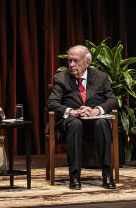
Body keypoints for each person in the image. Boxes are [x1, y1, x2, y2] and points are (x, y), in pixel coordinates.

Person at [46, 44, 119, 190]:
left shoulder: (101, 77)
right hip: (72, 120)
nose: (71, 64)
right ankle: (74, 176)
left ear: (87, 62)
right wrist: (70, 111)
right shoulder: (61, 78)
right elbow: (51, 102)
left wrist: (97, 110)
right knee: (75, 124)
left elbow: (112, 100)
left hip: (93, 119)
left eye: (76, 61)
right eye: (69, 61)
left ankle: (107, 175)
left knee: (102, 123)